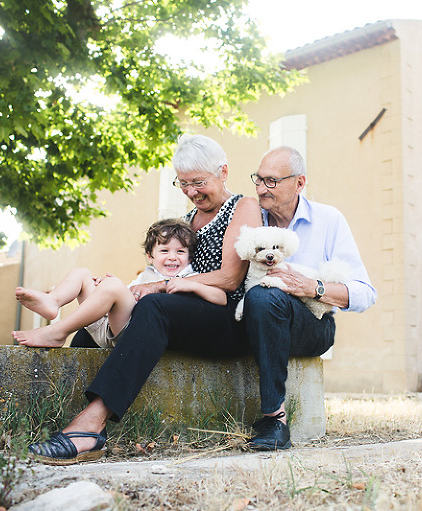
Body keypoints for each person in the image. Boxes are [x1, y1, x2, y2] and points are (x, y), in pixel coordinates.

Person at [26, 134, 262, 465]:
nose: (191, 192)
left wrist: (163, 286)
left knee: (153, 306)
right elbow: (160, 269)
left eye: (198, 182)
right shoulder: (188, 221)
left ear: (223, 172)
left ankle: (91, 426)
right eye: (183, 184)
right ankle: (62, 412)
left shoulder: (243, 206)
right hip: (182, 314)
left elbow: (229, 278)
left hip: (224, 317)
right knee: (97, 322)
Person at [243, 146, 376, 451]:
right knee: (259, 299)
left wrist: (313, 288)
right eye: (258, 180)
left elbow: (365, 293)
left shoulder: (329, 219)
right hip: (254, 316)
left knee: (267, 298)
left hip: (313, 324)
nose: (262, 189)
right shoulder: (251, 220)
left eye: (272, 181)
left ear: (299, 183)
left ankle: (274, 420)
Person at [11, 219, 226, 348]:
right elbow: (126, 297)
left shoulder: (189, 275)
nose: (173, 257)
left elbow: (222, 297)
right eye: (164, 251)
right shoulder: (147, 274)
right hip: (106, 327)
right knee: (83, 274)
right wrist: (104, 288)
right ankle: (53, 301)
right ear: (150, 256)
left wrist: (192, 285)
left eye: (180, 251)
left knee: (113, 286)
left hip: (130, 334)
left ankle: (58, 332)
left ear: (189, 257)